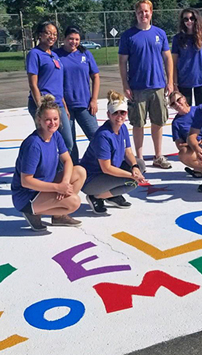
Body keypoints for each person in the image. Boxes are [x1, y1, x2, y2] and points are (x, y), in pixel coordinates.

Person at [11, 95, 86, 231]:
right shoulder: (33, 145)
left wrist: (64, 183)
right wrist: (57, 188)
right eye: (48, 120)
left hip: (47, 186)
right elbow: (26, 181)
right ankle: (32, 212)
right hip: (27, 195)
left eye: (55, 119)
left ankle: (58, 216)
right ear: (39, 120)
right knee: (74, 203)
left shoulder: (55, 135)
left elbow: (67, 160)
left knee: (80, 171)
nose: (52, 123)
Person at [118, 0, 174, 170]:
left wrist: (170, 81)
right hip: (138, 87)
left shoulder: (160, 33)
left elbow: (167, 58)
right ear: (136, 14)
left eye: (146, 11)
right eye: (140, 12)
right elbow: (122, 62)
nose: (143, 14)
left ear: (151, 12)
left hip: (157, 86)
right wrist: (126, 85)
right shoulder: (128, 36)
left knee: (158, 122)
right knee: (138, 123)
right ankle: (139, 158)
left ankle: (158, 156)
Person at [80, 90, 146, 214]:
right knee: (131, 182)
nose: (119, 116)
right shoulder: (103, 136)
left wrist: (135, 167)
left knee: (140, 164)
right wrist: (132, 175)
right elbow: (106, 168)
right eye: (115, 113)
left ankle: (110, 194)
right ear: (109, 115)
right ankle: (96, 196)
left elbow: (128, 152)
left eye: (122, 112)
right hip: (93, 178)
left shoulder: (123, 128)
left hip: (108, 173)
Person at [26, 21, 74, 156]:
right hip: (43, 105)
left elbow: (58, 83)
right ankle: (45, 173)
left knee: (67, 143)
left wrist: (64, 105)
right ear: (40, 35)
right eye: (48, 33)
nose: (52, 36)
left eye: (54, 34)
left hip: (58, 104)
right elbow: (33, 84)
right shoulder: (34, 54)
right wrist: (40, 107)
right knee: (46, 141)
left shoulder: (54, 55)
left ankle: (60, 172)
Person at [53, 26, 101, 163]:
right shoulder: (56, 55)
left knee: (96, 137)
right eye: (70, 39)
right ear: (64, 39)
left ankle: (99, 164)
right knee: (69, 143)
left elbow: (96, 76)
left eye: (77, 39)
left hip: (84, 104)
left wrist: (94, 99)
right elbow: (54, 81)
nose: (73, 42)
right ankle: (72, 170)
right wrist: (62, 104)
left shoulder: (85, 54)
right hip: (64, 107)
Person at [172, 8, 202, 106]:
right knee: (185, 112)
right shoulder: (177, 39)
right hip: (184, 81)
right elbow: (174, 64)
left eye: (192, 18)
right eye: (186, 19)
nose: (189, 21)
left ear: (196, 19)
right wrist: (175, 84)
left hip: (201, 81)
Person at [168, 90, 202, 178]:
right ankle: (201, 169)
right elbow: (179, 145)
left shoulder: (198, 110)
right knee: (183, 153)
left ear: (184, 99)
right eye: (173, 104)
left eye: (178, 100)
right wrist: (193, 143)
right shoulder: (176, 123)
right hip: (194, 148)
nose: (177, 104)